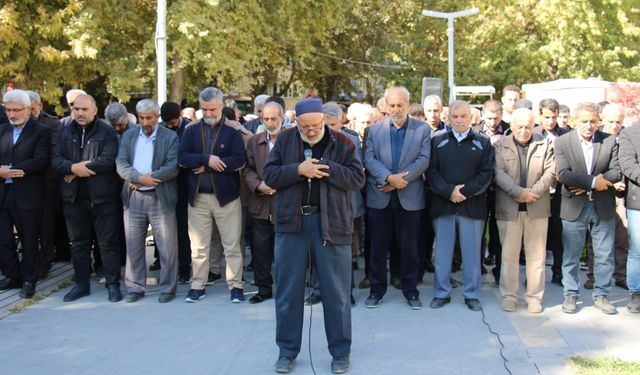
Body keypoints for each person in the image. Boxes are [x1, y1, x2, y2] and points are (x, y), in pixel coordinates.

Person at [263, 97, 364, 374]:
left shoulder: (344, 143)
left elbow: (357, 179)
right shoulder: (284, 141)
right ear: (295, 123)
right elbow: (269, 175)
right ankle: (286, 352)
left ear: (324, 120)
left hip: (331, 225)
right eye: (304, 126)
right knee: (287, 292)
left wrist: (326, 168)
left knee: (337, 294)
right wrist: (298, 170)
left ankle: (340, 352)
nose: (310, 131)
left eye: (315, 125)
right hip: (292, 224)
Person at [364, 87, 431, 310]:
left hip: (409, 196)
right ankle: (376, 290)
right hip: (380, 195)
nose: (395, 109)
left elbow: (423, 159)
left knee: (409, 248)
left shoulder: (422, 129)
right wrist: (389, 178)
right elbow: (369, 158)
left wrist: (401, 181)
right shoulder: (374, 130)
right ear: (386, 106)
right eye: (391, 105)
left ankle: (410, 291)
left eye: (400, 105)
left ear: (408, 105)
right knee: (377, 248)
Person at [52, 94, 123, 302]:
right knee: (79, 244)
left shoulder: (107, 132)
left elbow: (108, 160)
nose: (80, 113)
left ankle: (112, 284)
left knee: (108, 243)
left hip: (103, 197)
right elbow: (56, 160)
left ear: (94, 110)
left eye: (84, 109)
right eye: (76, 109)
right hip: (73, 198)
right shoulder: (64, 132)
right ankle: (81, 284)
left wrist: (79, 169)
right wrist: (72, 167)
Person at [178, 87, 246, 303]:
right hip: (198, 198)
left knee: (232, 245)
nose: (207, 113)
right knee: (198, 247)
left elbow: (239, 160)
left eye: (212, 109)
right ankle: (197, 286)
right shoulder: (191, 130)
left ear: (221, 106)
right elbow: (182, 158)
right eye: (204, 109)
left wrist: (208, 167)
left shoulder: (233, 131)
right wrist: (206, 158)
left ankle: (236, 286)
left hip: (226, 198)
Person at [427, 100, 494, 311]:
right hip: (443, 204)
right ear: (448, 118)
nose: (459, 120)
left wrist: (463, 192)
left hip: (472, 207)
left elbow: (486, 174)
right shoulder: (437, 141)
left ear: (471, 118)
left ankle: (471, 294)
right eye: (454, 116)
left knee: (472, 254)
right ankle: (441, 292)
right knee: (443, 253)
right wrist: (449, 192)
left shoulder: (483, 142)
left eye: (463, 116)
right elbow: (432, 172)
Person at [555, 102, 621, 315]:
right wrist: (593, 183)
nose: (589, 125)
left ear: (598, 120)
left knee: (604, 254)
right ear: (575, 120)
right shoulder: (563, 141)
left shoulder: (609, 140)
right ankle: (570, 295)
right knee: (572, 254)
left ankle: (602, 295)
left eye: (593, 121)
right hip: (574, 205)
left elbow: (617, 171)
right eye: (584, 121)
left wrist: (593, 183)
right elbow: (563, 174)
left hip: (603, 205)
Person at [116, 99, 179, 303]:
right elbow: (121, 163)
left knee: (166, 246)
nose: (144, 122)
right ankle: (135, 287)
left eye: (148, 118)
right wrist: (137, 178)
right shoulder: (129, 136)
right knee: (133, 244)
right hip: (134, 197)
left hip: (160, 197)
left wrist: (149, 178)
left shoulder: (169, 137)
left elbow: (173, 165)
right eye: (141, 118)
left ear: (157, 117)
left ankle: (168, 288)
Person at [494, 108, 555, 313]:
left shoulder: (545, 144)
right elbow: (498, 173)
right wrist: (518, 192)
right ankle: (509, 296)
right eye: (519, 126)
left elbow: (550, 173)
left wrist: (531, 193)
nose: (524, 130)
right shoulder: (500, 145)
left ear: (533, 125)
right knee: (508, 256)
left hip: (536, 208)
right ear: (511, 126)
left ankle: (534, 297)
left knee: (536, 256)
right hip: (509, 209)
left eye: (528, 126)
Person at [0, 90, 51, 298]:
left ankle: (29, 278)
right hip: (4, 192)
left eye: (16, 110)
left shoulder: (41, 131)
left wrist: (10, 171)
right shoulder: (2, 130)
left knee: (28, 237)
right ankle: (12, 275)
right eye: (9, 110)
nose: (12, 114)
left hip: (28, 193)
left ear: (28, 109)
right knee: (3, 237)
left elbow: (40, 160)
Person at [243, 101, 284, 304]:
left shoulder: (292, 139)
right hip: (260, 204)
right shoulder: (255, 141)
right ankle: (263, 288)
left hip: (284, 205)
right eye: (265, 119)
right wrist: (258, 185)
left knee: (285, 252)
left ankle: (285, 290)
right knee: (260, 250)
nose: (269, 122)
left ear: (282, 118)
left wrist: (280, 184)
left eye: (273, 118)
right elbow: (248, 169)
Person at [26, 90, 68, 277]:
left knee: (46, 224)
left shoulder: (51, 124)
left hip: (46, 182)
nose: (30, 112)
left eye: (32, 109)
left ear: (39, 107)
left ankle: (45, 262)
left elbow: (53, 154)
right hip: (24, 182)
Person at [534, 98, 570, 286]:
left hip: (560, 192)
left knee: (559, 233)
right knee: (537, 237)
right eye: (546, 117)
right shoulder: (532, 134)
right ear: (540, 115)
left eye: (553, 117)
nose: (550, 121)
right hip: (538, 191)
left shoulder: (566, 135)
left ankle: (558, 272)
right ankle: (534, 276)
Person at [160, 101, 192, 283]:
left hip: (184, 187)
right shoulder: (162, 130)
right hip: (166, 185)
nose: (169, 126)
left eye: (172, 123)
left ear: (179, 116)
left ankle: (184, 268)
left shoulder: (189, 129)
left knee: (182, 230)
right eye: (167, 123)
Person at [619, 118, 640, 313]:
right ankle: (636, 293)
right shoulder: (630, 133)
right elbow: (626, 163)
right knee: (637, 249)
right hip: (638, 201)